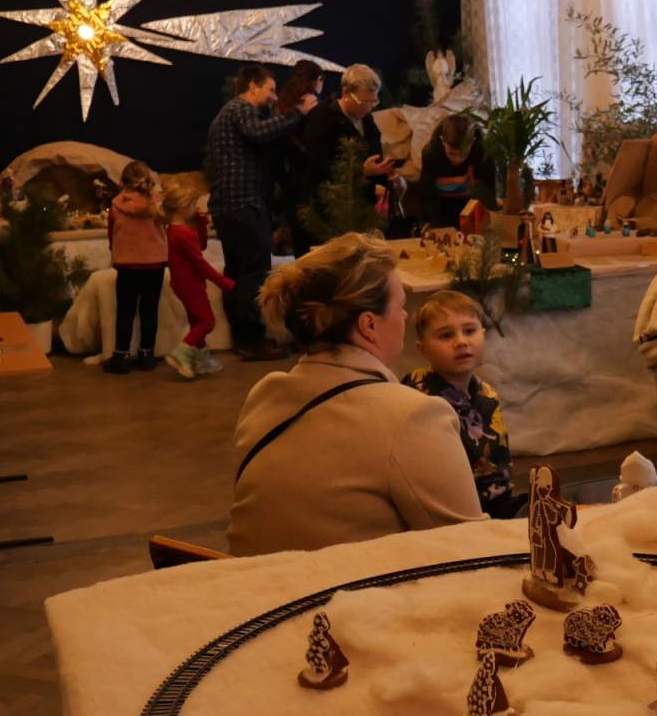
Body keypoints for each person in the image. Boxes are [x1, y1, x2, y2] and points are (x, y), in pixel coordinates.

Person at [227, 233, 482, 555]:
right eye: (401, 306)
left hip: (254, 582)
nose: (405, 317)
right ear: (368, 326)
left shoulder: (264, 394)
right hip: (338, 587)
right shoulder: (412, 416)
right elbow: (470, 550)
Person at [206, 64, 318, 362]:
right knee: (253, 273)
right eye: (270, 90)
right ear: (253, 87)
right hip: (243, 204)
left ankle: (243, 338)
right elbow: (258, 133)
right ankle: (253, 340)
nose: (274, 97)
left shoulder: (229, 113)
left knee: (237, 272)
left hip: (229, 207)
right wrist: (298, 113)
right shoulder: (241, 109)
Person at [401, 291, 515, 517]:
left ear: (483, 334)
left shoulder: (487, 394)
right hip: (453, 511)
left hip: (498, 503)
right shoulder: (418, 395)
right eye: (446, 336)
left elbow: (500, 460)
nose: (461, 342)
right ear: (423, 349)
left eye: (470, 331)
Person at [303, 64, 406, 235]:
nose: (370, 107)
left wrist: (388, 178)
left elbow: (375, 156)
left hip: (365, 210)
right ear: (346, 93)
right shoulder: (321, 119)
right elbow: (319, 168)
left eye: (374, 102)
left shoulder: (367, 120)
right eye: (364, 102)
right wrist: (361, 171)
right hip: (333, 214)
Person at [161, 182, 235, 381]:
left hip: (182, 283)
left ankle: (201, 360)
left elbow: (200, 245)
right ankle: (181, 352)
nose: (196, 209)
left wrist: (201, 224)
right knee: (207, 321)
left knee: (196, 321)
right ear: (184, 207)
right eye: (194, 205)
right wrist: (222, 282)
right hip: (191, 284)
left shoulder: (173, 230)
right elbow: (200, 263)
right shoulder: (183, 234)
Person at [104, 160, 168, 375]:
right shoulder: (158, 204)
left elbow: (112, 234)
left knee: (125, 311)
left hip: (127, 266)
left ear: (123, 182)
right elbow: (166, 228)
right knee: (150, 311)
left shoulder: (116, 206)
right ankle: (147, 355)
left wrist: (116, 251)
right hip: (155, 264)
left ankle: (121, 356)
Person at [273, 63, 325, 258]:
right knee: (316, 244)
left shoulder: (284, 104)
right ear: (317, 80)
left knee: (300, 243)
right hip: (311, 180)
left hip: (290, 180)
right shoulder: (312, 103)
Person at [411, 113, 497, 232]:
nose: (458, 160)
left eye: (464, 153)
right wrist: (432, 224)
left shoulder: (484, 153)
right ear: (442, 141)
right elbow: (427, 193)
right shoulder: (430, 154)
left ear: (473, 142)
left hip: (473, 207)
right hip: (442, 207)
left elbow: (490, 191)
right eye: (452, 153)